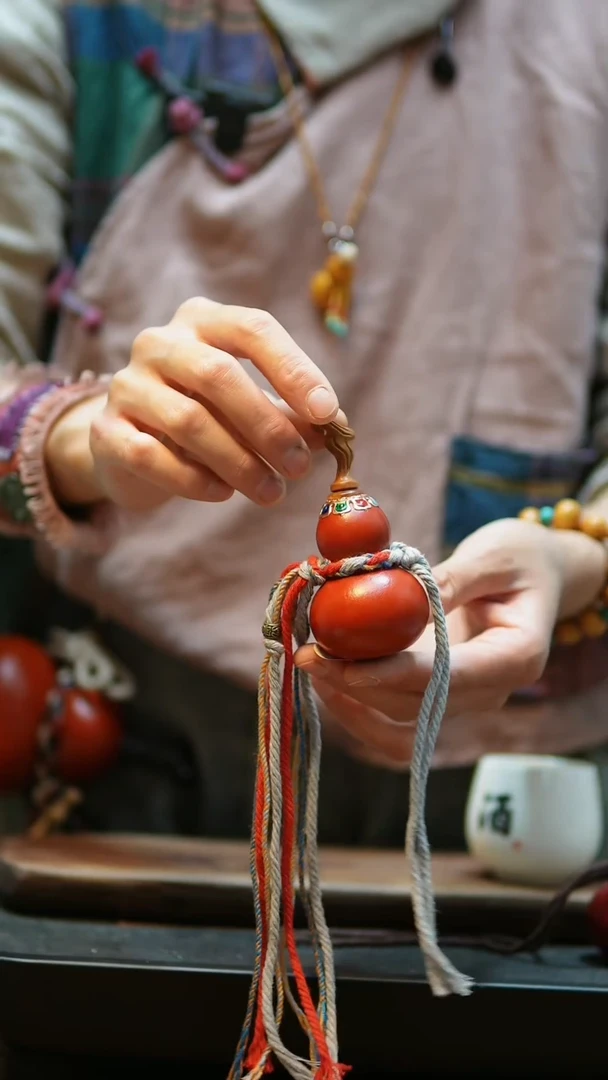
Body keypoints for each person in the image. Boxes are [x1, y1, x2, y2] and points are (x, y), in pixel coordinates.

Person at [1, 0, 608, 846]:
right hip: (132, 739)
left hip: (522, 782)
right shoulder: (68, 23)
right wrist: (85, 440)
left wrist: (578, 555)